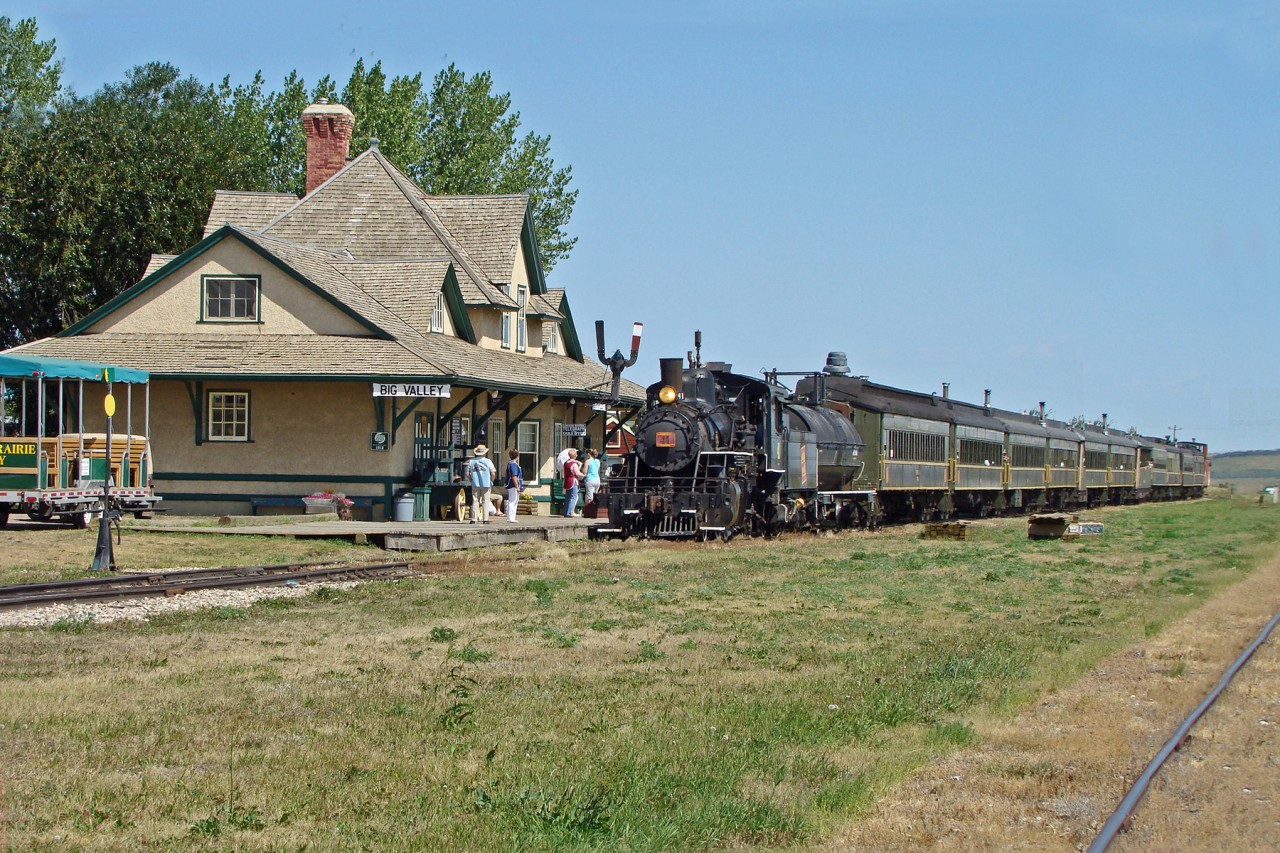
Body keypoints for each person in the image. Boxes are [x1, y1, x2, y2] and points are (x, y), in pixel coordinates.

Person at [465, 445, 497, 523]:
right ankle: (485, 519)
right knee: (485, 501)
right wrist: (491, 481)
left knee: (475, 501)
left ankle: (474, 519)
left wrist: (471, 480)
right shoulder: (488, 461)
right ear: (484, 453)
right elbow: (493, 473)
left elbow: (467, 473)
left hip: (475, 483)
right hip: (486, 484)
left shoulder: (471, 461)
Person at [562, 447, 583, 517]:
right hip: (573, 481)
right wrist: (583, 474)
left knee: (568, 497)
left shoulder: (566, 463)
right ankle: (570, 512)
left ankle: (566, 512)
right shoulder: (574, 464)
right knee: (573, 497)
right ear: (575, 456)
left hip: (567, 481)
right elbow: (577, 473)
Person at [504, 448, 523, 522]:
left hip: (510, 484)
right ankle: (511, 518)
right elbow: (514, 476)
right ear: (517, 456)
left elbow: (506, 473)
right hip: (513, 485)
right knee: (513, 501)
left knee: (514, 500)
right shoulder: (514, 465)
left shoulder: (509, 463)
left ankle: (511, 517)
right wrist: (517, 487)